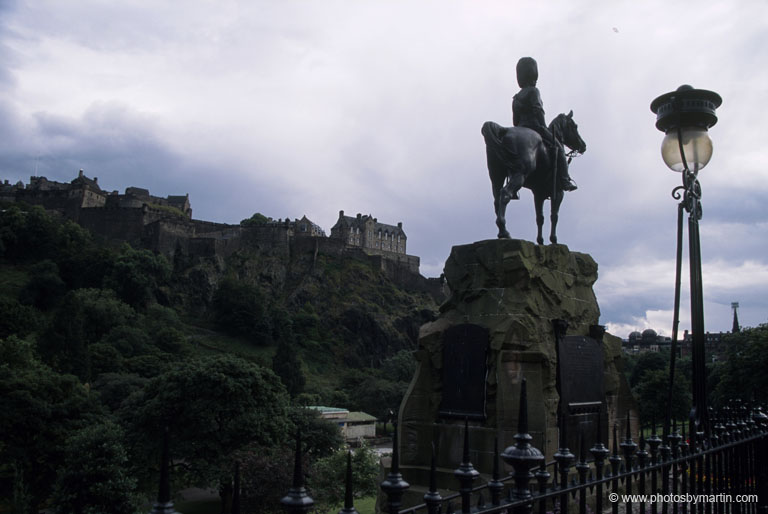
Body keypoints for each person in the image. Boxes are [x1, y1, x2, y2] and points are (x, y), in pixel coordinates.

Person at [512, 57, 577, 192]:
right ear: (533, 74)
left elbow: (515, 120)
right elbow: (538, 111)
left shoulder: (516, 98)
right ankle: (565, 180)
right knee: (559, 147)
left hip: (520, 128)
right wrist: (543, 126)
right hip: (536, 127)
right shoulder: (534, 92)